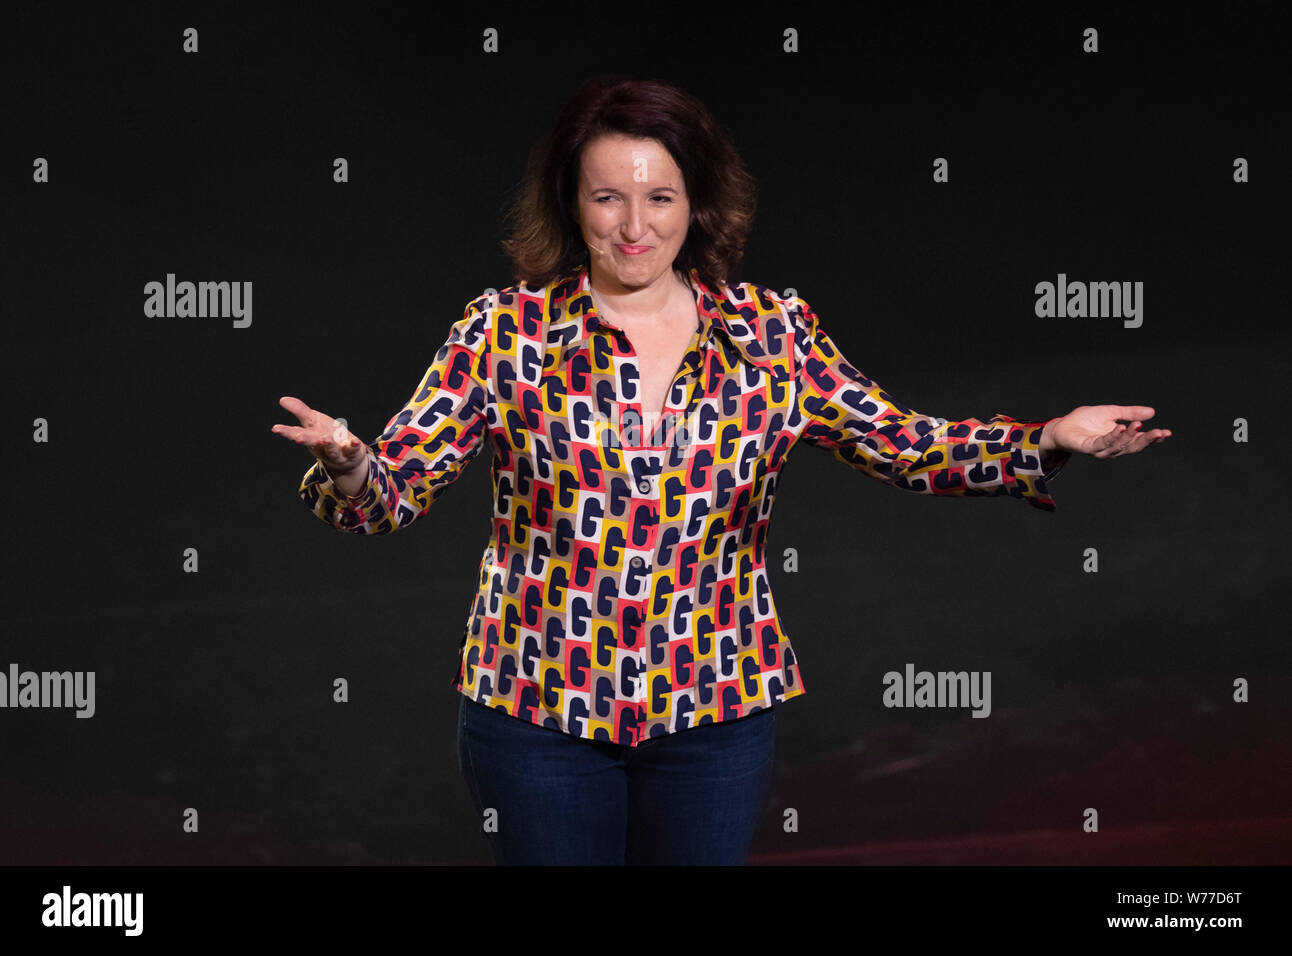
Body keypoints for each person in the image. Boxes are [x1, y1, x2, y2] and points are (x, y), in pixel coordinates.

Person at [271, 75, 1171, 866]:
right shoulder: (504, 331)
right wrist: (352, 463)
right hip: (533, 710)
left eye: (659, 197)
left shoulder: (773, 334)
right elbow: (390, 496)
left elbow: (904, 445)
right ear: (569, 203)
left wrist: (1048, 436)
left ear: (696, 201)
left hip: (714, 708)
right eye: (607, 199)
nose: (634, 226)